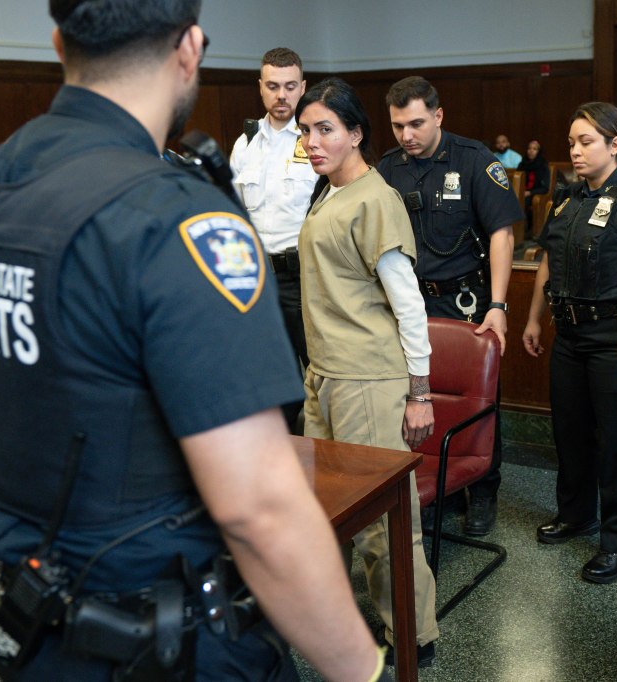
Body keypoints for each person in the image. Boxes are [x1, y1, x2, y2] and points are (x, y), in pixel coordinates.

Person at [0, 2, 384, 680]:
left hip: (30, 626)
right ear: (190, 49)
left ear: (61, 44)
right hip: (160, 642)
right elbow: (258, 508)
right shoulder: (174, 220)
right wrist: (365, 670)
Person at [296, 77, 440, 667]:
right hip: (325, 375)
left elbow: (408, 308)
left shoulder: (374, 200)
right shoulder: (327, 192)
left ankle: (415, 633)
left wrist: (420, 392)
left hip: (368, 381)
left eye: (325, 129)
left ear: (356, 134)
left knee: (384, 525)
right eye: (306, 130)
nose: (312, 140)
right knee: (320, 511)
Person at [522, 102, 617, 584]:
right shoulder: (566, 199)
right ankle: (576, 514)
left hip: (616, 338)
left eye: (586, 142)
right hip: (570, 335)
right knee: (571, 432)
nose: (575, 151)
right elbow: (548, 261)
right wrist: (535, 319)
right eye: (571, 143)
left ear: (615, 145)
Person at [378, 76, 523, 536]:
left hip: (466, 303)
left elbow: (502, 232)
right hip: (410, 307)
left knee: (479, 404)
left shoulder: (474, 160)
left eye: (417, 123)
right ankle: (438, 486)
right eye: (399, 125)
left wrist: (498, 304)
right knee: (421, 400)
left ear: (438, 116)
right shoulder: (386, 168)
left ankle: (482, 491)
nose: (407, 135)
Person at [228, 47, 316, 432]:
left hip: (304, 277)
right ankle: (281, 453)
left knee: (317, 372)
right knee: (267, 375)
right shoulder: (245, 144)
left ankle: (329, 465)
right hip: (257, 279)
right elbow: (232, 214)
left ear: (303, 88)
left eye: (291, 87)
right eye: (274, 86)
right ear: (260, 88)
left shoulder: (318, 140)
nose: (282, 96)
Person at [517, 139, 550, 238]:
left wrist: (530, 192)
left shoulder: (543, 165)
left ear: (538, 151)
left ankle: (523, 231)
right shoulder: (522, 164)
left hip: (536, 194)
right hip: (521, 193)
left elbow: (545, 187)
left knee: (523, 201)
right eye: (529, 148)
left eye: (534, 149)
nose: (531, 151)